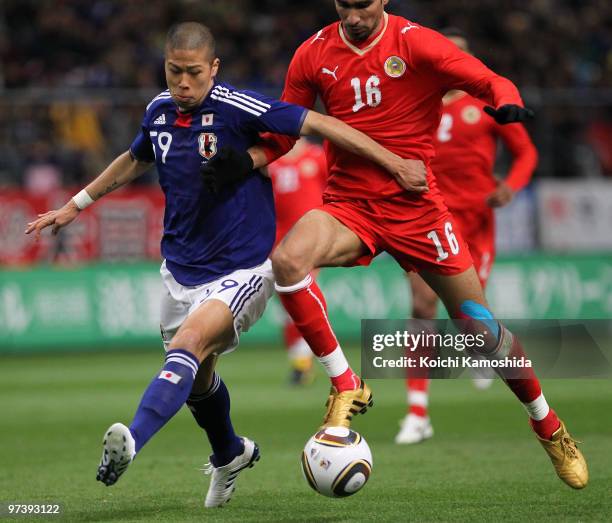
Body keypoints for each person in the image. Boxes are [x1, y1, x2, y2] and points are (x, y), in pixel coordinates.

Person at [25, 21, 430, 508]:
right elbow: (135, 157)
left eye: (194, 73)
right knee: (198, 379)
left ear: (213, 69)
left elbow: (318, 124)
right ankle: (230, 452)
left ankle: (131, 440)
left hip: (242, 270)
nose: (184, 83)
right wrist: (78, 203)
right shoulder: (158, 110)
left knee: (189, 344)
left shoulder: (238, 107)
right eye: (175, 72)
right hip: (179, 272)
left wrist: (393, 162)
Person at [204, 1, 587, 489]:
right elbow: (286, 132)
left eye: (363, 4)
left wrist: (506, 100)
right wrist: (250, 159)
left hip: (418, 210)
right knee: (287, 260)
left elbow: (488, 79)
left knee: (481, 328)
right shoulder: (313, 54)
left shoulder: (417, 42)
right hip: (349, 206)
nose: (354, 15)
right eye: (345, 4)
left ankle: (548, 426)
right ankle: (346, 383)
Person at [396, 28, 539, 445]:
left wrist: (510, 185)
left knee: (473, 318)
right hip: (424, 220)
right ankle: (417, 412)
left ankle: (484, 353)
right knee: (422, 305)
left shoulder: (483, 106)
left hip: (475, 225)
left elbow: (527, 152)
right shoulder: (414, 105)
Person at [268, 137, 326, 385]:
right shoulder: (270, 161)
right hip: (275, 238)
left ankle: (303, 363)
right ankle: (300, 360)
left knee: (302, 293)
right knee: (286, 305)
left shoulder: (317, 157)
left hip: (309, 236)